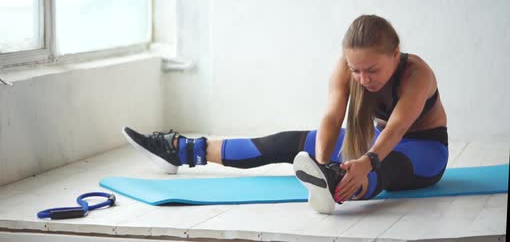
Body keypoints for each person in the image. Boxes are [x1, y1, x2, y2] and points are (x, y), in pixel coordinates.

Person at [122, 15, 449, 214]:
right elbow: (332, 120)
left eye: (372, 70)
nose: (363, 79)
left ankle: (336, 184)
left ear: (394, 55)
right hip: (377, 141)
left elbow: (396, 128)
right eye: (356, 70)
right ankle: (181, 151)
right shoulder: (347, 68)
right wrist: (320, 159)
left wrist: (365, 162)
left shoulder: (416, 74)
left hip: (423, 152)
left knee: (385, 167)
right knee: (284, 142)